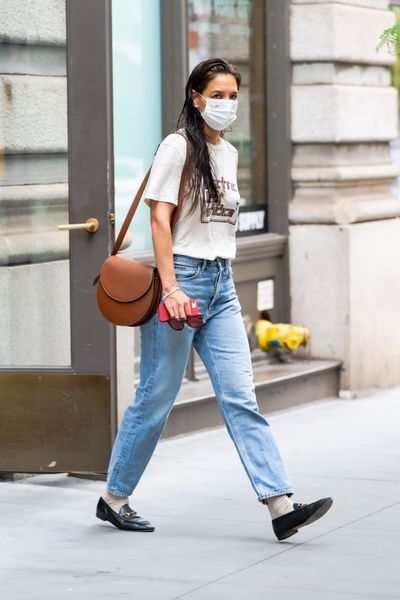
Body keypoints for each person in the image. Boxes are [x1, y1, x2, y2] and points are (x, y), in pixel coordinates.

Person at [96, 58, 333, 541]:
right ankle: (114, 497)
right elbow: (159, 221)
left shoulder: (227, 153)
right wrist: (173, 288)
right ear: (196, 98)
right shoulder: (177, 147)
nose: (226, 104)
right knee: (156, 398)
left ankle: (280, 504)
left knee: (240, 397)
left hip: (222, 285)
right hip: (180, 280)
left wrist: (216, 279)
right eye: (217, 95)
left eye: (233, 95)